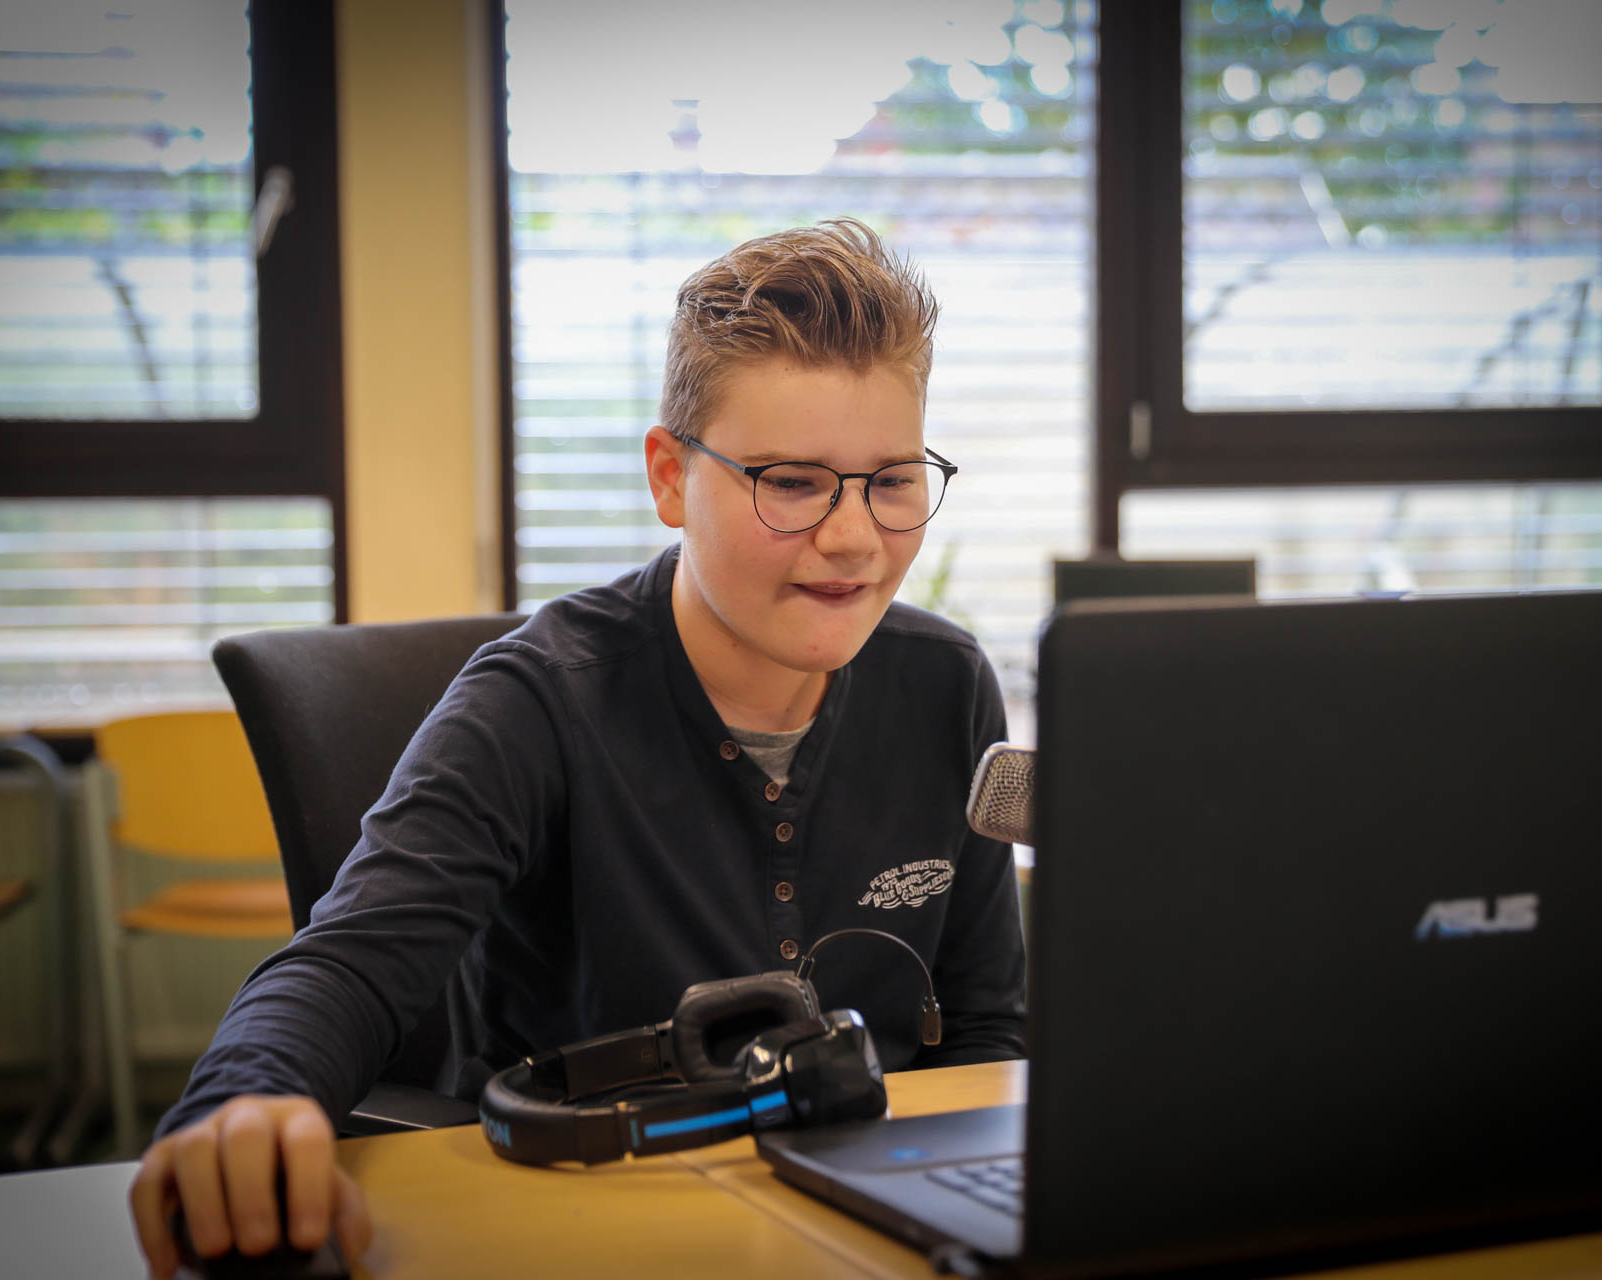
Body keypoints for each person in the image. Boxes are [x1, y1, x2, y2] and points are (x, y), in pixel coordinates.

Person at [128, 218, 1027, 1277]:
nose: (853, 537)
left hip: (872, 1224)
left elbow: (986, 1028)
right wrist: (241, 1105)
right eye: (791, 481)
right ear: (669, 477)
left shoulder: (947, 687)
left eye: (893, 479)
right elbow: (347, 965)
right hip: (585, 1219)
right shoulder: (539, 699)